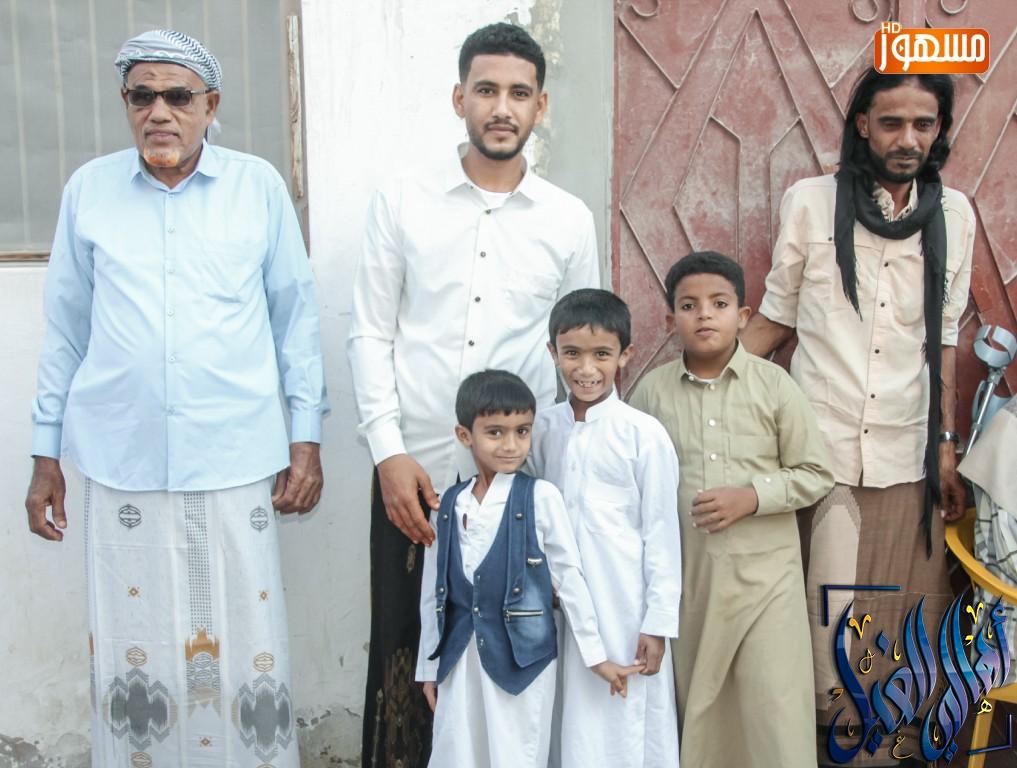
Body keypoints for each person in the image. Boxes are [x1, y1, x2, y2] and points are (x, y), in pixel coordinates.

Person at [23, 29, 328, 767]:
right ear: (126, 103)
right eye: (142, 96)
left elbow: (295, 319)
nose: (159, 111)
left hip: (234, 455)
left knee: (245, 642)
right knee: (135, 642)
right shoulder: (88, 191)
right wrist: (44, 453)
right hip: (120, 457)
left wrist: (306, 438)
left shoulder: (256, 187)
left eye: (177, 96)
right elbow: (65, 328)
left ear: (209, 106)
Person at [347, 22, 600, 766]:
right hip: (416, 472)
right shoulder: (403, 201)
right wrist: (388, 454)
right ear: (459, 97)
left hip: (519, 484)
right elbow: (369, 333)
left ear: (541, 105)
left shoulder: (567, 219)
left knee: (513, 653)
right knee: (407, 648)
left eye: (519, 93)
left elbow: (579, 350)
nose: (502, 107)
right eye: (486, 90)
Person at [740, 69, 975, 764]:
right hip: (819, 454)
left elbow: (943, 342)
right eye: (891, 122)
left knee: (893, 629)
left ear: (939, 130)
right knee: (823, 629)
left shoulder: (955, 215)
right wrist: (703, 395)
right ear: (863, 124)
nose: (907, 140)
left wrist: (944, 446)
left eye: (923, 124)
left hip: (905, 456)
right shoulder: (811, 203)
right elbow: (776, 320)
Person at [630, 252, 834, 768]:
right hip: (692, 584)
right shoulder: (651, 395)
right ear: (670, 319)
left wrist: (752, 496)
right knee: (703, 709)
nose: (704, 314)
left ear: (742, 316)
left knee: (774, 706)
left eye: (719, 304)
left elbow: (816, 473)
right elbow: (630, 486)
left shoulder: (774, 385)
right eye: (689, 305)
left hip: (768, 582)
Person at [416, 370, 639, 768]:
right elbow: (434, 593)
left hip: (522, 662)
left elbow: (570, 579)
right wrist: (428, 668)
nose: (511, 445)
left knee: (515, 753)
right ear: (465, 435)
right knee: (457, 751)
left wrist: (596, 657)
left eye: (522, 431)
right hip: (459, 660)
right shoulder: (448, 504)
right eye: (495, 432)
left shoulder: (540, 497)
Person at [529, 288, 681, 768]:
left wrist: (657, 624)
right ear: (553, 352)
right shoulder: (540, 430)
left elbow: (662, 534)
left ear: (625, 355)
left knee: (623, 722)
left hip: (624, 607)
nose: (586, 368)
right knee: (564, 717)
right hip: (559, 605)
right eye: (572, 353)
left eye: (601, 354)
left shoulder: (643, 434)